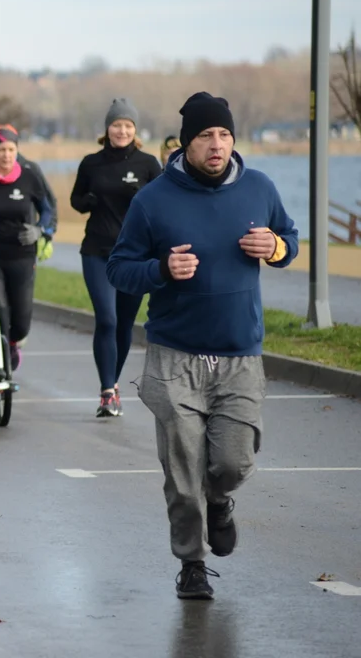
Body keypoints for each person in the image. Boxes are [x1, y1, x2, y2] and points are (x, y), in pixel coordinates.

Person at [106, 92, 298, 600]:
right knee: (183, 474)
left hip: (239, 353)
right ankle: (191, 563)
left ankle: (221, 501)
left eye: (224, 135)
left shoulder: (259, 187)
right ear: (186, 143)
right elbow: (119, 269)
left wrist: (276, 247)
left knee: (232, 463)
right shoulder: (153, 200)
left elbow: (290, 239)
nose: (217, 145)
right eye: (206, 136)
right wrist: (161, 270)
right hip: (175, 356)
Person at [70, 99, 163, 417]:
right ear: (107, 128)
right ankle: (107, 391)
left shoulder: (149, 164)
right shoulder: (91, 163)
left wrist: (143, 198)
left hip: (135, 256)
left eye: (127, 125)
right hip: (97, 250)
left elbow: (164, 208)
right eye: (116, 124)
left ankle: (114, 382)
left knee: (124, 323)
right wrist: (89, 200)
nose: (121, 130)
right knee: (106, 319)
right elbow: (75, 200)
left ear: (135, 131)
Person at [0, 125, 55, 372]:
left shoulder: (29, 175)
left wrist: (40, 230)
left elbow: (47, 208)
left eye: (11, 149)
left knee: (21, 322)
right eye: (1, 150)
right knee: (0, 311)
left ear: (17, 150)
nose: (6, 155)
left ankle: (13, 343)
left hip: (22, 255)